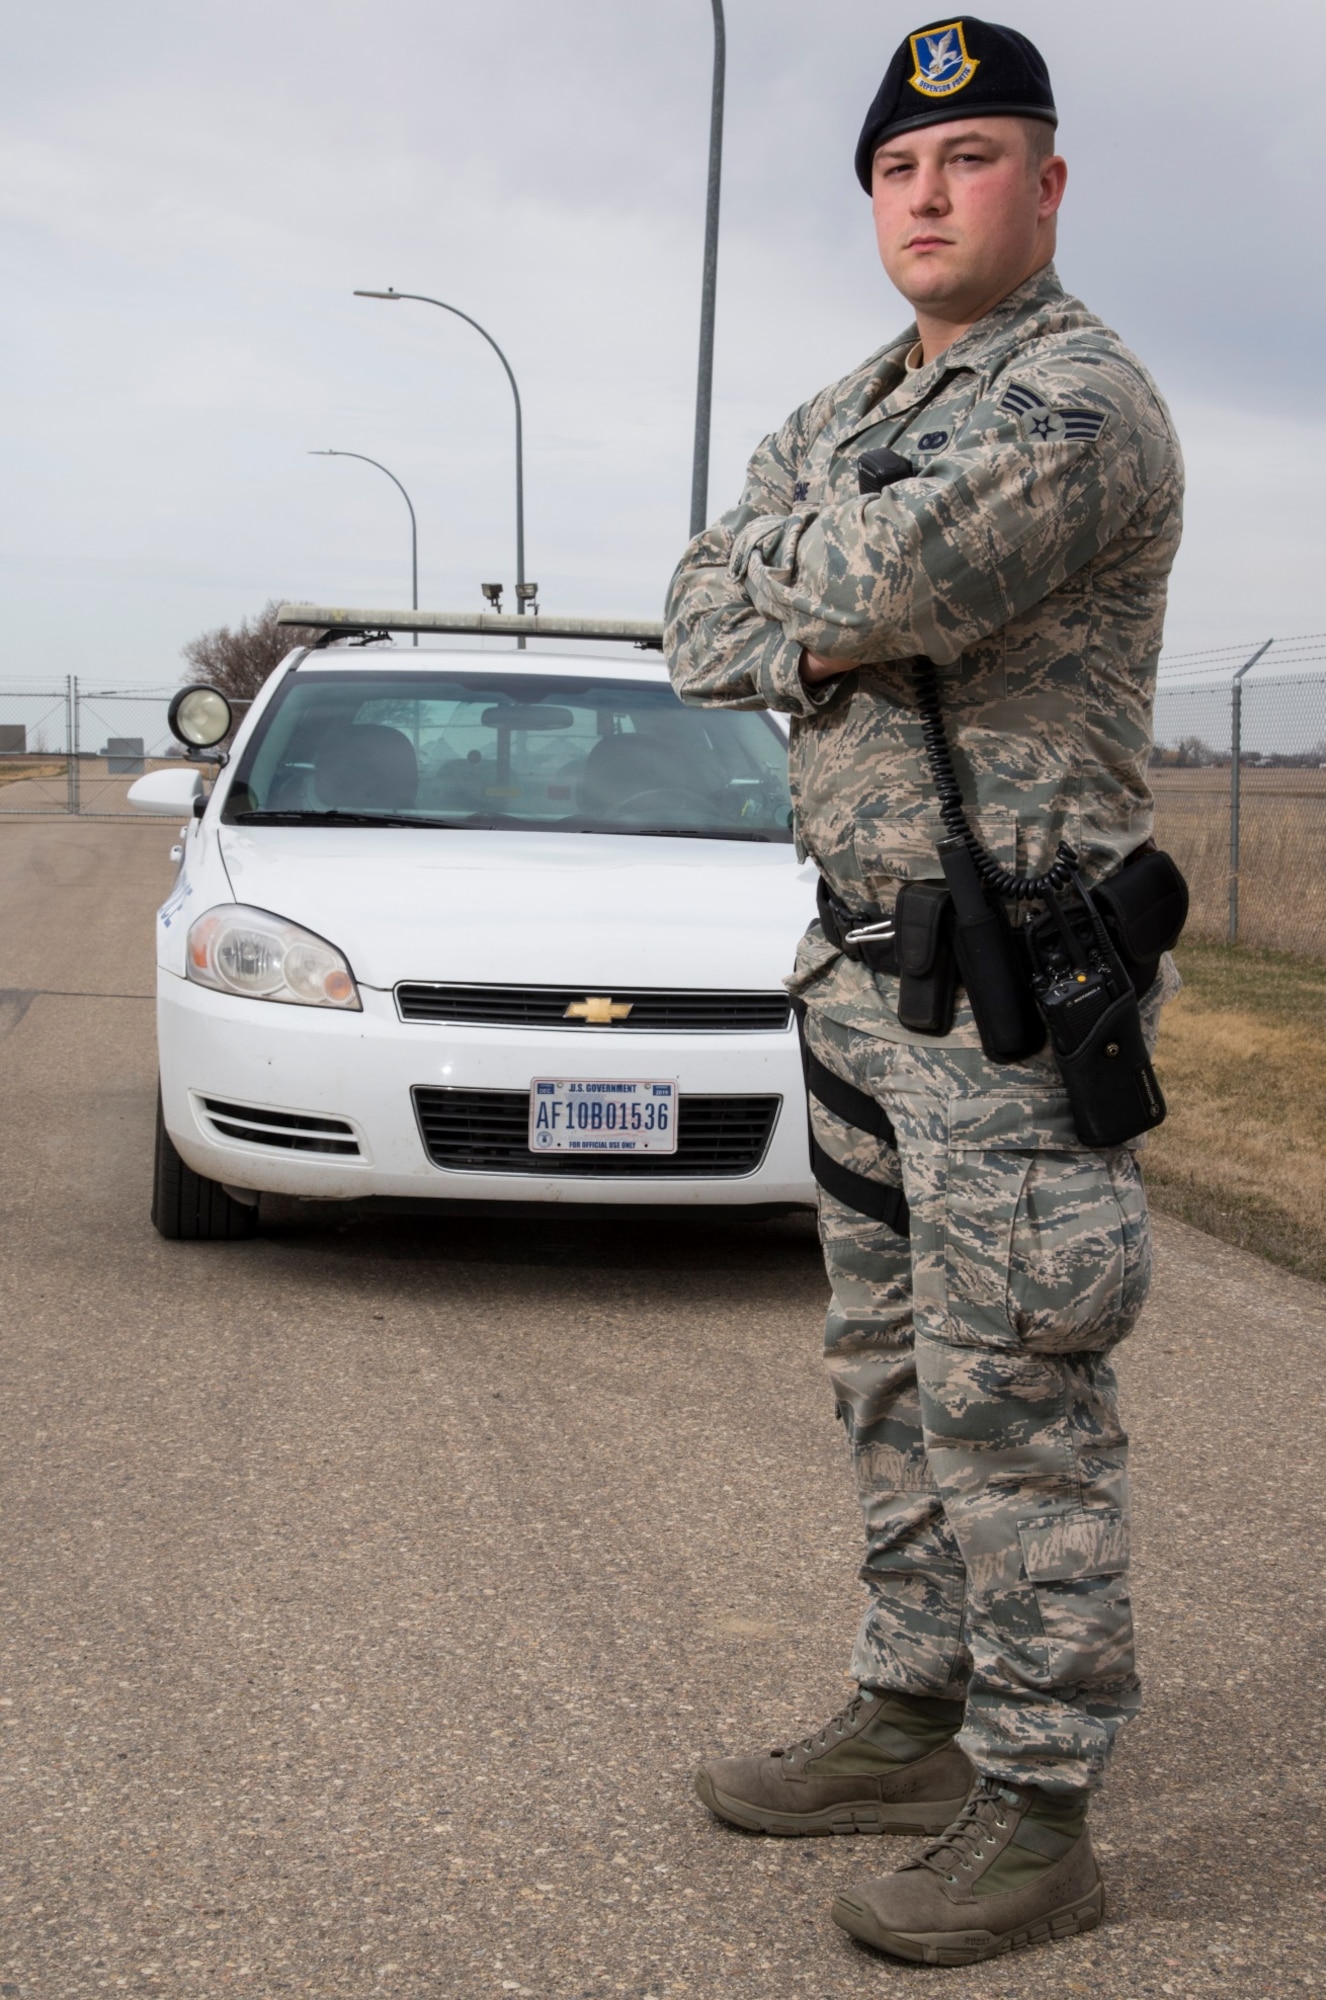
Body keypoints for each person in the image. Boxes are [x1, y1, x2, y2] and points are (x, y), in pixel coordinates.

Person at [664, 14, 1183, 1968]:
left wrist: (818, 595)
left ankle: (1041, 1807)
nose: (928, 196)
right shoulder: (849, 404)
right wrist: (819, 590)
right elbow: (702, 613)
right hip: (862, 967)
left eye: (970, 163)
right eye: (899, 170)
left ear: (1046, 188)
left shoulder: (1083, 406)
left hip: (1015, 994)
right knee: (884, 1375)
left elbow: (871, 585)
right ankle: (910, 1701)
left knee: (1014, 1392)